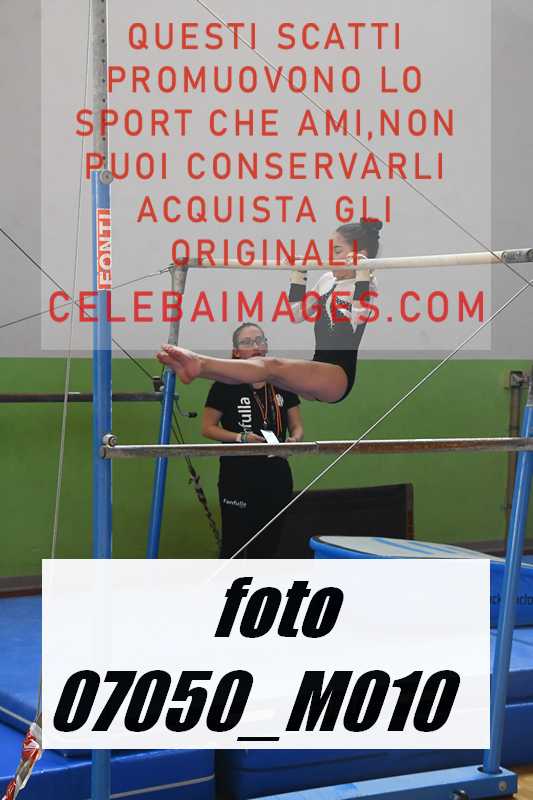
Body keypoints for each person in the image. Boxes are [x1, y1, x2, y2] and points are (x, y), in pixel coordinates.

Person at [157, 218, 381, 404]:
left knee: (269, 365)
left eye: (337, 251)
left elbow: (359, 315)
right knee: (261, 373)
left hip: (336, 376)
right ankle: (195, 369)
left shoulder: (367, 285)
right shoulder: (326, 280)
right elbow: (296, 314)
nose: (330, 257)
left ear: (359, 255)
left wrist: (362, 271)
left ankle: (200, 362)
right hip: (315, 372)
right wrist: (298, 275)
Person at [201, 323, 304, 558]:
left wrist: (295, 440)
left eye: (260, 340)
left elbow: (297, 426)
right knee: (234, 546)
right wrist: (240, 437)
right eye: (247, 342)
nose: (255, 346)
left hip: (276, 475)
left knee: (267, 547)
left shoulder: (283, 383)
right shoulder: (225, 385)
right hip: (237, 476)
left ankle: (259, 583)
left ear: (266, 346)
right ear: (236, 352)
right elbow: (207, 428)